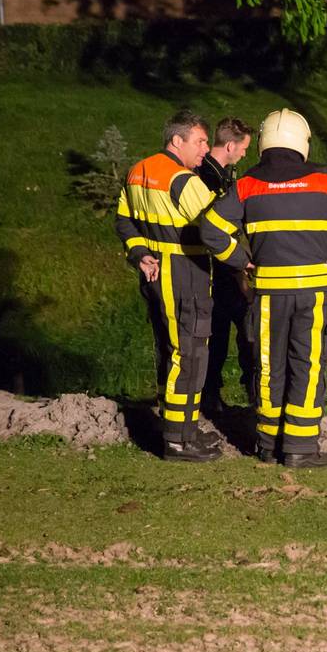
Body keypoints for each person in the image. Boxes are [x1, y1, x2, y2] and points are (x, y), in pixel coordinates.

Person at [200, 109, 327, 468]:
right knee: (307, 366)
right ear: (303, 142)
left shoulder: (247, 184)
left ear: (263, 143)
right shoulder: (325, 181)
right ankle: (300, 448)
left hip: (268, 298)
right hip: (314, 295)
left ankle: (267, 445)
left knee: (269, 368)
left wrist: (242, 260)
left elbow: (211, 230)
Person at [113, 110, 221, 462]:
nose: (206, 149)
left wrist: (139, 253)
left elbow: (123, 220)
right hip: (185, 273)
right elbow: (218, 226)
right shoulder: (183, 180)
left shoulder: (138, 171)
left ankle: (181, 429)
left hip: (154, 272)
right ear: (177, 140)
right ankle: (178, 440)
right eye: (200, 141)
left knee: (170, 351)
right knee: (190, 353)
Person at [197, 117, 255, 415]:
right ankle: (212, 397)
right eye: (243, 148)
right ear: (230, 146)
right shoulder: (205, 178)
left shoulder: (221, 176)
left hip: (227, 267)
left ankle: (244, 393)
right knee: (217, 336)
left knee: (241, 329)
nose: (245, 154)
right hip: (213, 270)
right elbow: (211, 230)